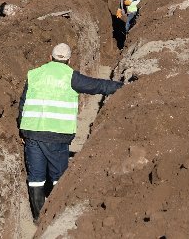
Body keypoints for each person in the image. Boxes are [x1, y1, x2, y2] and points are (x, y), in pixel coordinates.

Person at [18, 43, 123, 223]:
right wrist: (121, 87)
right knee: (59, 176)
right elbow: (97, 85)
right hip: (57, 136)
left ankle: (38, 218)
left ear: (49, 58)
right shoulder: (70, 76)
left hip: (32, 133)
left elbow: (23, 102)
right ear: (69, 60)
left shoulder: (34, 74)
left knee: (36, 177)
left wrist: (22, 128)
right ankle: (55, 218)